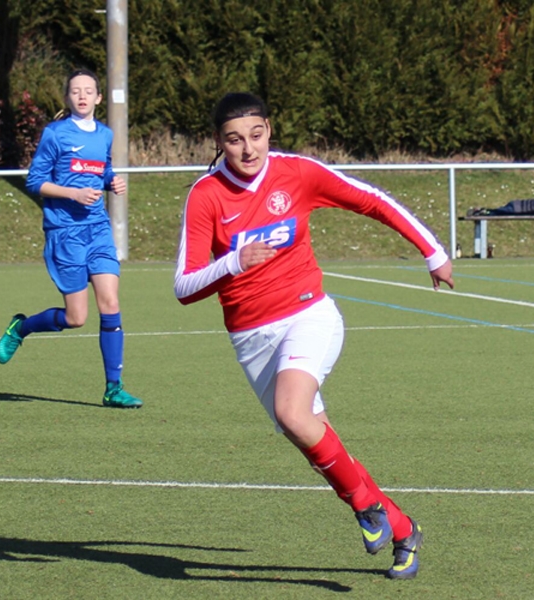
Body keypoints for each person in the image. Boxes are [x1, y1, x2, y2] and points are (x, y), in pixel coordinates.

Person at [174, 92, 455, 579]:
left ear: (269, 130)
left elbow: (371, 200)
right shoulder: (206, 195)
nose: (248, 149)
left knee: (292, 413)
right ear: (218, 141)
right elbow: (184, 286)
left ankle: (366, 508)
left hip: (308, 315)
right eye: (234, 140)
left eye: (256, 135)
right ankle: (402, 528)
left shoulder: (298, 173)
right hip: (251, 339)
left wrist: (432, 250)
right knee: (312, 436)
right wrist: (233, 262)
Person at [0, 68, 142, 409]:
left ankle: (114, 388)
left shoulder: (105, 135)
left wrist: (112, 182)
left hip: (97, 228)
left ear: (98, 97)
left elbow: (102, 170)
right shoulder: (55, 134)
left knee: (111, 303)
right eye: (76, 91)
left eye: (88, 90)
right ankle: (21, 328)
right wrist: (72, 194)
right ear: (67, 97)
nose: (82, 96)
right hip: (65, 232)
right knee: (76, 318)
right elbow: (35, 181)